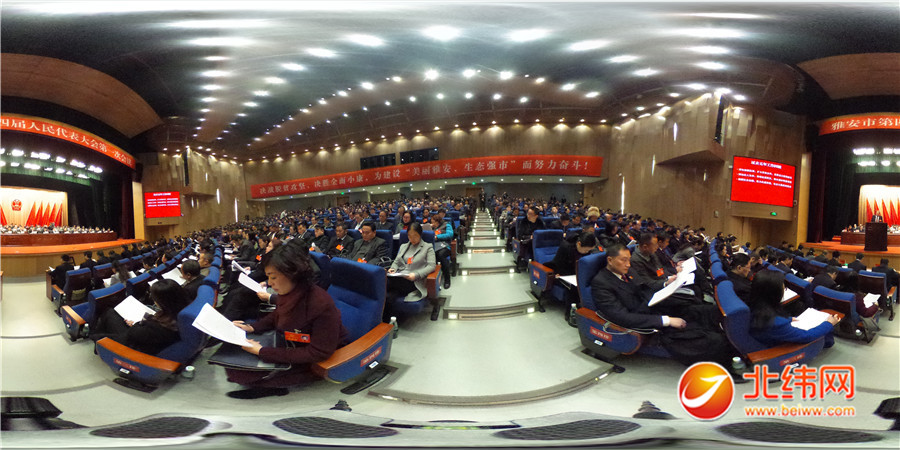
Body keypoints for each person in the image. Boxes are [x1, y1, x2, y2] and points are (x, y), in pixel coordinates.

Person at [590, 244, 739, 373]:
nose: (628, 264)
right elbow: (623, 317)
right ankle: (727, 366)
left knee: (706, 312)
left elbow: (646, 286)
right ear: (610, 260)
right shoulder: (601, 283)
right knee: (712, 339)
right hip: (649, 323)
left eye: (629, 259)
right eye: (623, 260)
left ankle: (735, 344)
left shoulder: (627, 271)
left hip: (657, 305)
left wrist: (668, 283)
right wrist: (667, 320)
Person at [227, 244, 348, 399]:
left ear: (292, 274)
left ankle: (276, 386)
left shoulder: (319, 304)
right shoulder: (290, 291)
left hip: (312, 356)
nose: (269, 283)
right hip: (291, 342)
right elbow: (277, 314)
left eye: (273, 277)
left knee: (242, 373)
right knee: (234, 359)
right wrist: (252, 327)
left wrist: (262, 352)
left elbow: (318, 352)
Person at [90, 279, 192, 354]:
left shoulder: (159, 328)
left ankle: (100, 345)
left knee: (108, 314)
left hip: (135, 345)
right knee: (111, 313)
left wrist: (136, 324)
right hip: (144, 337)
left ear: (163, 302)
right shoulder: (182, 310)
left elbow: (133, 334)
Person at [747, 269, 839, 348]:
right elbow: (807, 336)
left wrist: (789, 319)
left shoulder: (753, 305)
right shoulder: (775, 323)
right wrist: (829, 323)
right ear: (774, 294)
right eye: (783, 288)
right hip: (778, 349)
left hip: (768, 337)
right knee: (826, 330)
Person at [385, 222, 436, 315]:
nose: (412, 239)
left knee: (386, 285)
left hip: (414, 281)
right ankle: (387, 318)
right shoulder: (403, 246)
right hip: (400, 277)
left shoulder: (428, 247)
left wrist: (416, 275)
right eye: (409, 236)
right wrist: (393, 268)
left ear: (420, 234)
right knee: (388, 294)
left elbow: (432, 266)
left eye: (415, 236)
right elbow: (396, 262)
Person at [515, 207, 546, 272]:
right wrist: (529, 237)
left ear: (536, 216)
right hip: (526, 240)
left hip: (537, 240)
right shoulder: (524, 221)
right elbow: (520, 235)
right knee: (526, 246)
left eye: (530, 214)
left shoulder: (540, 222)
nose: (528, 215)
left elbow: (543, 232)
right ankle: (519, 264)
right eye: (528, 213)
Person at [431, 216, 453, 289]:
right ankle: (433, 279)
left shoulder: (447, 225)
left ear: (438, 222)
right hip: (434, 246)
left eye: (433, 222)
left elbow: (450, 235)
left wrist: (437, 237)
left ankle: (447, 279)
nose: (432, 224)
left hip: (445, 246)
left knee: (441, 255)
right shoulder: (431, 227)